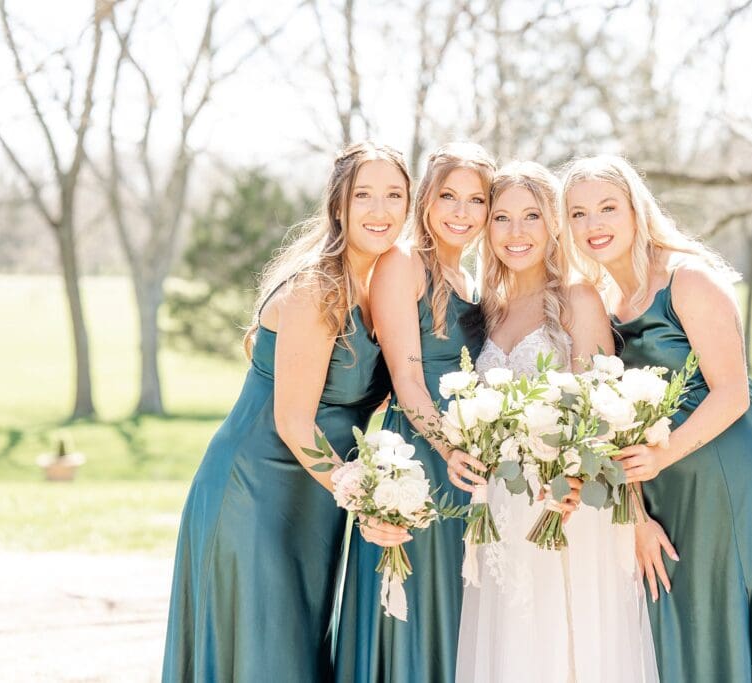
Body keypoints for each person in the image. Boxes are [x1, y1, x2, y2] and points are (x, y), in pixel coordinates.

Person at [562, 154, 752, 683]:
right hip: (666, 486)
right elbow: (607, 420)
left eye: (608, 208)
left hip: (734, 475)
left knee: (733, 617)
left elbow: (732, 394)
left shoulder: (687, 280)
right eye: (578, 213)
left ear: (637, 209)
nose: (594, 225)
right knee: (685, 626)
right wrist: (639, 501)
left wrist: (662, 456)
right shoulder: (605, 304)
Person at [162, 141, 411, 682]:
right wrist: (366, 501)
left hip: (318, 501)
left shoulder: (383, 291)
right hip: (254, 494)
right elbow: (294, 421)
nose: (380, 210)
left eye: (394, 195)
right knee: (264, 653)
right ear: (338, 206)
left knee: (297, 650)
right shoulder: (315, 289)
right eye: (363, 195)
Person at [456, 160, 659, 683]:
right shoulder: (491, 307)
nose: (516, 232)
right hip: (505, 506)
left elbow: (603, 412)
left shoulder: (577, 296)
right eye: (501, 218)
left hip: (570, 502)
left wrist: (623, 511)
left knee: (569, 651)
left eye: (531, 217)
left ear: (553, 225)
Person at [335, 142, 495, 683]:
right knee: (413, 613)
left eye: (476, 200)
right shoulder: (404, 264)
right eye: (448, 195)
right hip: (421, 464)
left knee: (458, 616)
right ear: (426, 199)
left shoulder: (472, 282)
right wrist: (448, 449)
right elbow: (406, 380)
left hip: (468, 469)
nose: (460, 212)